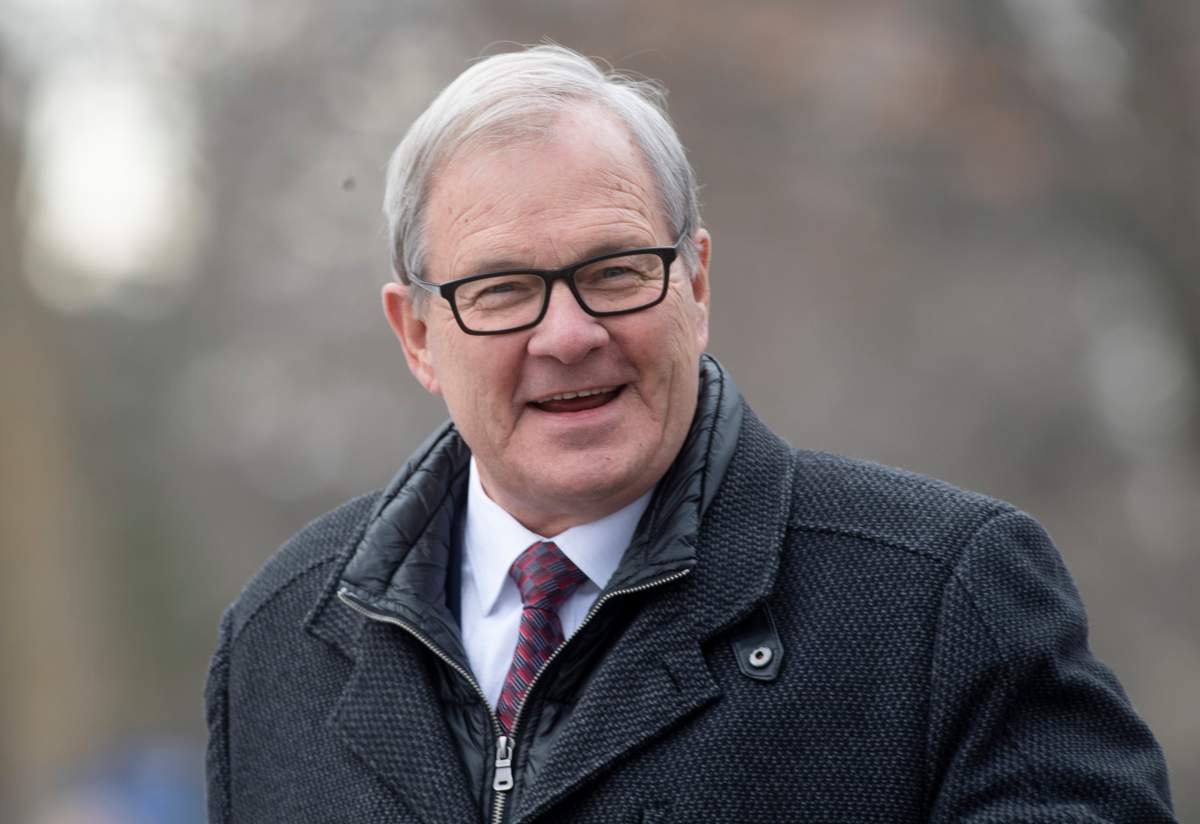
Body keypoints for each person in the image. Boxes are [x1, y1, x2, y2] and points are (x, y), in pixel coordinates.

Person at [204, 44, 1176, 823]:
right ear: (417, 333)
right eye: (502, 290)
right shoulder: (280, 643)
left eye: (617, 270)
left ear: (696, 283)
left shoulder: (945, 604)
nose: (569, 333)